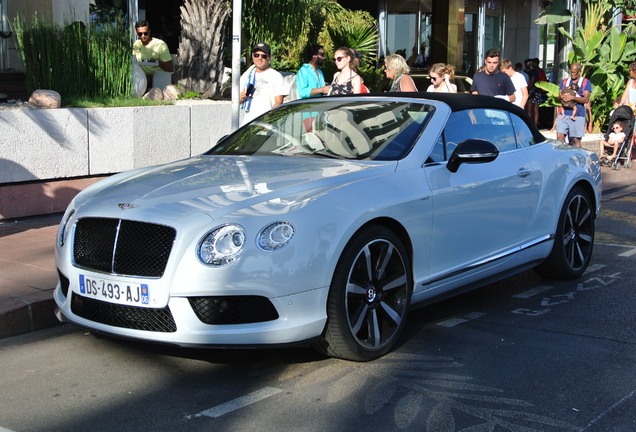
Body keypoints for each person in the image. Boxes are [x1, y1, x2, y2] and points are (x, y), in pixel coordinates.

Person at [240, 42, 286, 125]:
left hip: (266, 125)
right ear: (252, 56)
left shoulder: (276, 76)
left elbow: (279, 102)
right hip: (248, 125)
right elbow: (238, 101)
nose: (259, 58)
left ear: (269, 57)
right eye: (256, 55)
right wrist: (241, 98)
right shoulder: (247, 75)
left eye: (263, 56)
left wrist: (268, 121)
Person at [556, 62, 592, 147]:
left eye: (575, 72)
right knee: (559, 136)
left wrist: (573, 98)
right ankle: (562, 155)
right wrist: (563, 97)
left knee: (576, 139)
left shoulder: (585, 82)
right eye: (571, 72)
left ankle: (578, 156)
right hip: (564, 114)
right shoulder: (564, 82)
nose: (572, 74)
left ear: (579, 72)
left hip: (578, 115)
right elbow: (558, 96)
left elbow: (586, 99)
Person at [132, 20, 175, 89]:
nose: (143, 36)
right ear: (136, 33)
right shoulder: (136, 44)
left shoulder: (160, 44)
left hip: (157, 78)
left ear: (149, 31)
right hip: (141, 77)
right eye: (140, 34)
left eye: (145, 33)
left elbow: (170, 68)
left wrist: (157, 62)